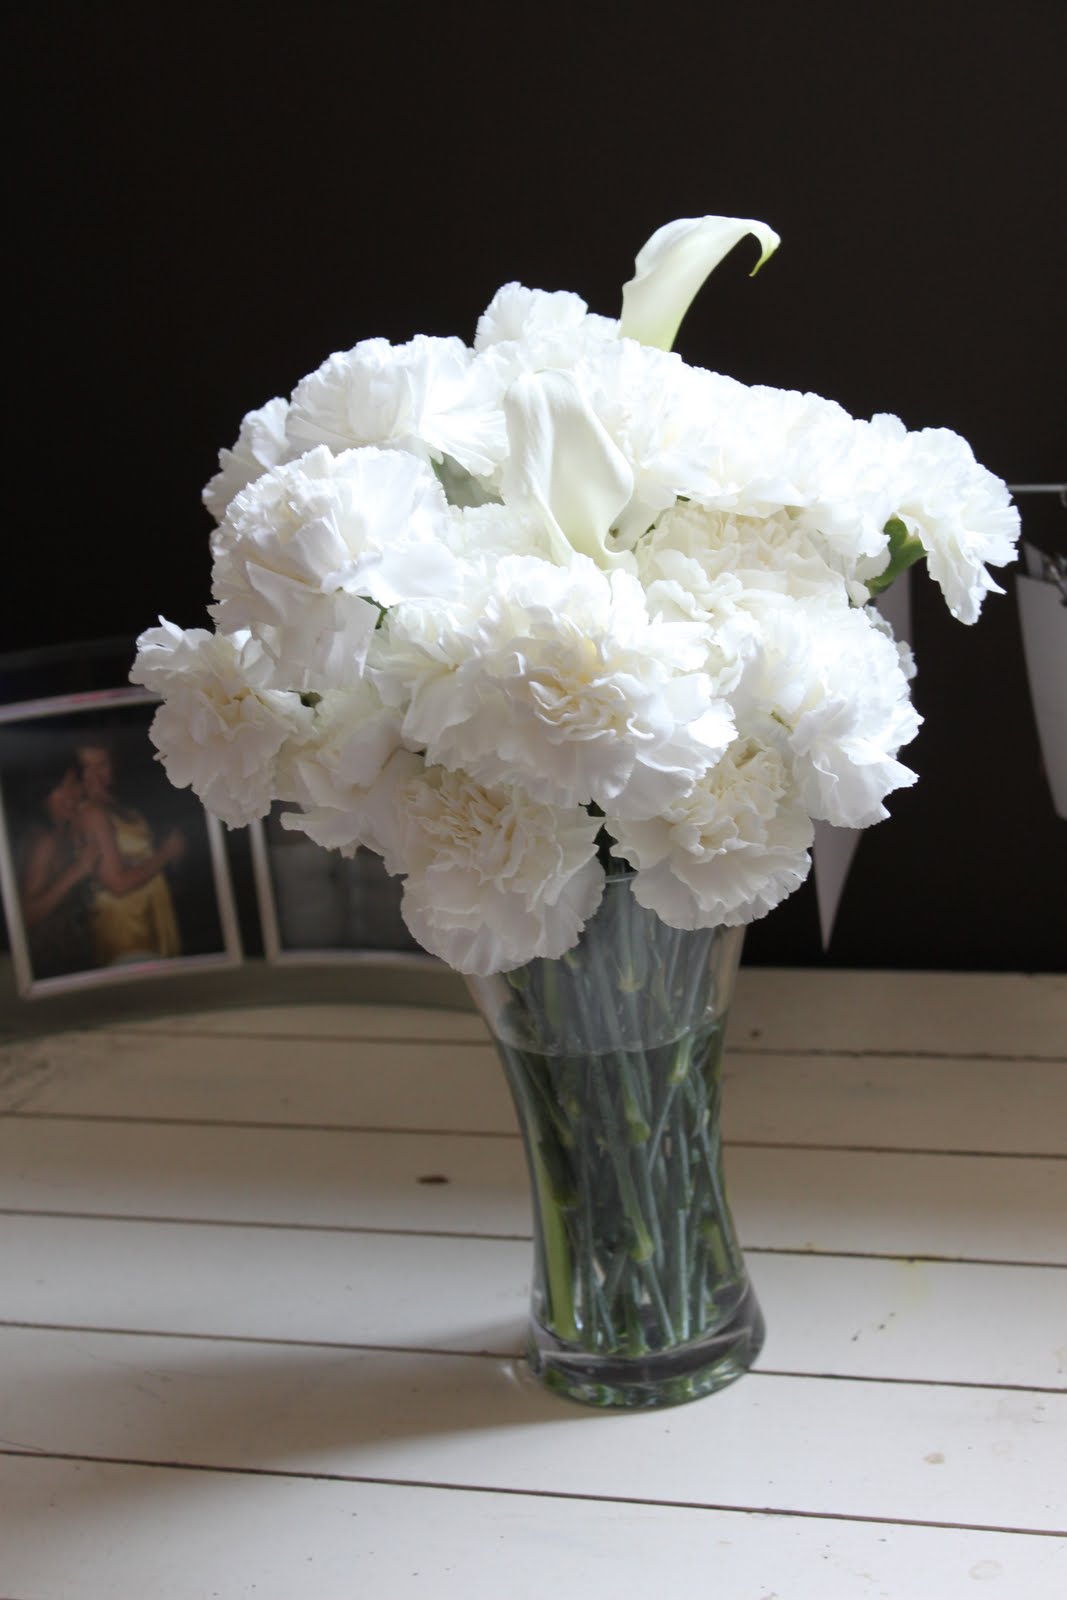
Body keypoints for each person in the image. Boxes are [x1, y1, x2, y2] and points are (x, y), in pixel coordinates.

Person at [74, 739, 185, 965]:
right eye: (87, 767)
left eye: (102, 764)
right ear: (76, 772)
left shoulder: (112, 802)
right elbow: (117, 884)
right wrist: (165, 854)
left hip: (149, 913)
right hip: (127, 927)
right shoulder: (90, 812)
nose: (95, 775)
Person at [17, 762, 100, 979]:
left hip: (70, 950)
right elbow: (26, 915)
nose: (73, 793)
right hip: (49, 964)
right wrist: (77, 871)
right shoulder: (44, 841)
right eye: (62, 786)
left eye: (74, 784)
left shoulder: (64, 828)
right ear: (44, 794)